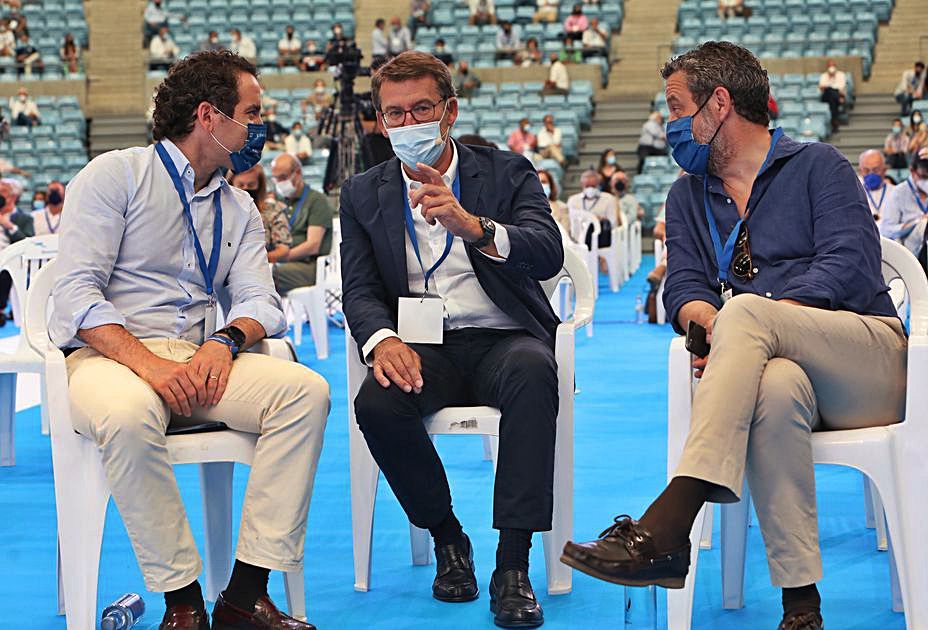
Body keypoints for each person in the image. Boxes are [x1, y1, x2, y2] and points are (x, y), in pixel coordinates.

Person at [561, 42, 906, 630]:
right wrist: (723, 326)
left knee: (746, 314)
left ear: (719, 104)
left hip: (866, 361)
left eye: (675, 107)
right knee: (771, 386)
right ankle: (802, 602)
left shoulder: (819, 166)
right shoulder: (685, 196)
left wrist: (750, 322)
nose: (667, 124)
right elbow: (685, 293)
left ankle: (670, 521)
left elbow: (848, 267)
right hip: (775, 373)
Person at [49, 50, 328, 630]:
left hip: (201, 358)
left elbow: (260, 303)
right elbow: (75, 295)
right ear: (209, 115)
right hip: (111, 355)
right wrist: (148, 365)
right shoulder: (115, 175)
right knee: (127, 416)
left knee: (305, 393)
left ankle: (245, 596)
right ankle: (183, 603)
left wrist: (225, 341)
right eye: (250, 114)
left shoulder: (241, 207)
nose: (259, 127)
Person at [341, 51, 563, 629]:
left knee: (535, 373)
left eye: (420, 108)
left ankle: (513, 563)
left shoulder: (507, 171)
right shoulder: (363, 193)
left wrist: (474, 226)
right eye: (394, 113)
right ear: (380, 120)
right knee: (377, 401)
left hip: (502, 335)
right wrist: (382, 340)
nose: (407, 122)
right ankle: (448, 538)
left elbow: (547, 251)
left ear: (449, 111)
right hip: (422, 347)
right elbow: (360, 289)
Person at [270, 152, 334, 294]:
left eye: (283, 177)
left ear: (297, 173)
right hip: (284, 262)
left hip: (309, 265)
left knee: (266, 277)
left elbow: (313, 246)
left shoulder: (317, 200)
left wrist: (280, 256)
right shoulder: (279, 202)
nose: (280, 183)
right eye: (276, 179)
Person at [229, 164, 291, 263]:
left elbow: (283, 250)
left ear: (260, 186)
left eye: (251, 185)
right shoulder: (220, 210)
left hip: (259, 265)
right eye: (240, 185)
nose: (246, 189)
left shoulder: (272, 210)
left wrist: (255, 261)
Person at [880, 151, 928, 266]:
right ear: (912, 171)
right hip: (910, 254)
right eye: (924, 176)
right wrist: (914, 223)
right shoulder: (898, 193)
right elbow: (886, 231)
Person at [0, 177, 34, 323]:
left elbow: (29, 244)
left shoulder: (24, 218)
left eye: (3, 191)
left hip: (11, 262)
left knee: (6, 270)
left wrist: (10, 227)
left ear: (13, 196)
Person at [567, 169, 618, 256]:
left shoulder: (609, 199)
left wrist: (600, 220)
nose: (590, 188)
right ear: (582, 185)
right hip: (578, 235)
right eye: (587, 186)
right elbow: (570, 221)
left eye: (593, 186)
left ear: (598, 185)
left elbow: (612, 223)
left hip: (600, 236)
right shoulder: (573, 200)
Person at [857, 149, 893, 223]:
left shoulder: (896, 193)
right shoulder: (854, 195)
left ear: (884, 170)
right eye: (866, 170)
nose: (871, 174)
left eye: (876, 170)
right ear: (860, 171)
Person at [538, 168, 569, 236]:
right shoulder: (525, 207)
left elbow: (565, 234)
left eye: (543, 182)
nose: (540, 185)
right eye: (537, 182)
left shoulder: (562, 207)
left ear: (550, 185)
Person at [818, 61, 846, 133]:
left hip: (836, 94)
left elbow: (841, 87)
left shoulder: (841, 75)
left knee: (832, 99)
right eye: (830, 66)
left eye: (833, 65)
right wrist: (830, 78)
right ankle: (835, 121)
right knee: (830, 91)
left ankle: (833, 122)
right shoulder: (823, 76)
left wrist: (830, 84)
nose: (831, 67)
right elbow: (822, 87)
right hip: (826, 96)